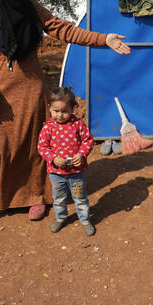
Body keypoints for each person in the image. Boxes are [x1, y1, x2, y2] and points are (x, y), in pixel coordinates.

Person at [0, 0, 131, 221]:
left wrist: (103, 39)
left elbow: (63, 29)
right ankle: (7, 196)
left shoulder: (32, 9)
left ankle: (37, 196)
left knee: (37, 144)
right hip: (0, 91)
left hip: (33, 87)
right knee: (4, 146)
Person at [37, 86, 96, 236]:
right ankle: (60, 217)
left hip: (76, 172)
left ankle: (85, 219)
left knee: (80, 197)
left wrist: (82, 154)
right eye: (56, 111)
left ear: (72, 109)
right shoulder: (47, 128)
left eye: (65, 111)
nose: (60, 115)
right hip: (56, 173)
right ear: (49, 108)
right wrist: (54, 158)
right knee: (59, 198)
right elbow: (42, 147)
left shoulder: (78, 125)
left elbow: (88, 140)